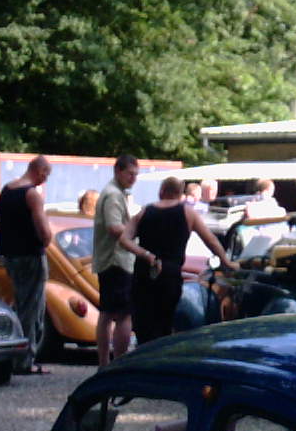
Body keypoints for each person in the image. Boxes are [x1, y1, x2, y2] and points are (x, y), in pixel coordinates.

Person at [127, 176, 234, 344]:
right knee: (165, 323)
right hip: (170, 275)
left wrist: (144, 254)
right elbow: (211, 240)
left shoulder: (144, 212)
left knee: (143, 324)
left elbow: (124, 239)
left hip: (143, 273)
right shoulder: (187, 213)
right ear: (180, 193)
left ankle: (143, 353)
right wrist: (226, 262)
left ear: (161, 191)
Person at [94, 155, 154, 367]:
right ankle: (117, 364)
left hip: (111, 260)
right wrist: (137, 231)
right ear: (118, 171)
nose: (133, 178)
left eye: (136, 174)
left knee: (106, 314)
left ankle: (104, 363)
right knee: (123, 315)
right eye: (130, 174)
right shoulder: (113, 195)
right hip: (117, 261)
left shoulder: (116, 193)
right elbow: (114, 227)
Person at [0, 154, 55, 373]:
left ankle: (16, 354)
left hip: (11, 256)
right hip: (31, 256)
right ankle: (24, 360)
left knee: (20, 304)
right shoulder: (32, 194)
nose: (45, 179)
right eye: (46, 175)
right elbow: (44, 233)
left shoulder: (7, 190)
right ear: (40, 171)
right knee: (32, 309)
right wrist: (46, 238)